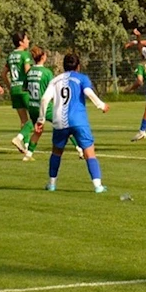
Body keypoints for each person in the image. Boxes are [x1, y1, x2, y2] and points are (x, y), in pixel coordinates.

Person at [36, 53, 109, 193]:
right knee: (89, 152)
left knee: (56, 152)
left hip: (59, 121)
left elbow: (44, 99)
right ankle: (98, 186)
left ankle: (51, 184)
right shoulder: (82, 78)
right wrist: (101, 105)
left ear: (64, 66)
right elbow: (88, 92)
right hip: (78, 120)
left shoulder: (55, 80)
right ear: (78, 66)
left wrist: (41, 119)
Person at [21, 46, 83, 162]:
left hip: (32, 106)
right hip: (45, 107)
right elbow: (53, 90)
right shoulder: (46, 72)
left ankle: (28, 154)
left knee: (37, 131)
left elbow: (25, 88)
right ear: (43, 57)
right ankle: (80, 150)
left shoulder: (29, 72)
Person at [3, 31, 34, 154]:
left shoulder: (10, 56)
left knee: (23, 120)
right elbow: (28, 72)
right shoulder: (25, 54)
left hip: (15, 90)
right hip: (24, 89)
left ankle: (25, 146)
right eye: (26, 39)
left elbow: (3, 74)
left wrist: (10, 87)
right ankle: (19, 138)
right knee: (35, 117)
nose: (28, 41)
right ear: (21, 42)